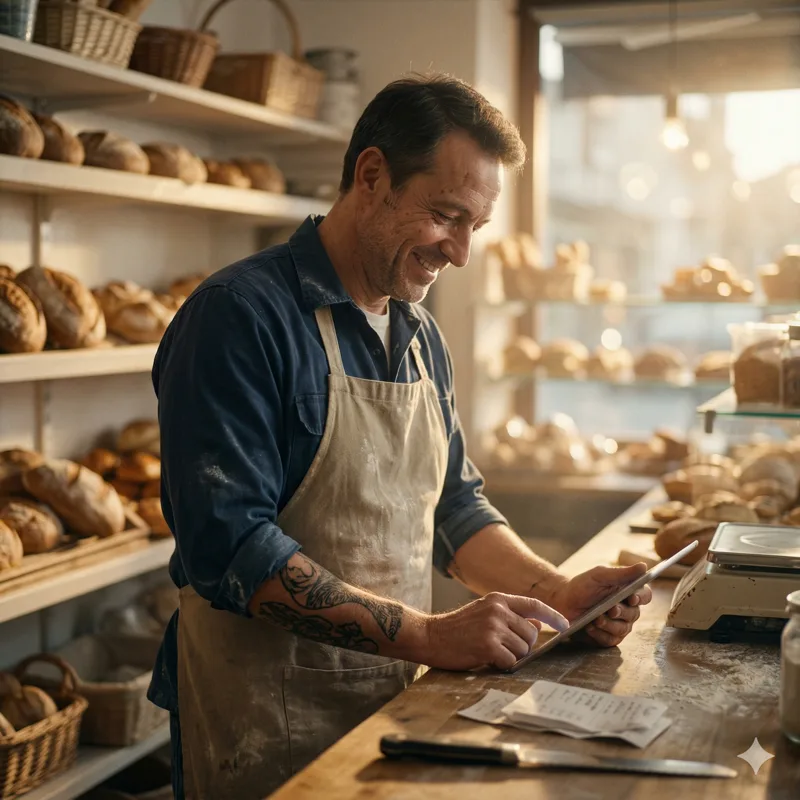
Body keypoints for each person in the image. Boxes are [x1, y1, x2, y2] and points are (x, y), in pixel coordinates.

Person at [148, 73, 653, 799]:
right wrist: (429, 635)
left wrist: (558, 594)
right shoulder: (239, 318)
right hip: (261, 721)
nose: (460, 252)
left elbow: (452, 507)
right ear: (372, 175)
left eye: (475, 227)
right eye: (446, 215)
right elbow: (227, 550)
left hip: (390, 713)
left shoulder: (419, 336)